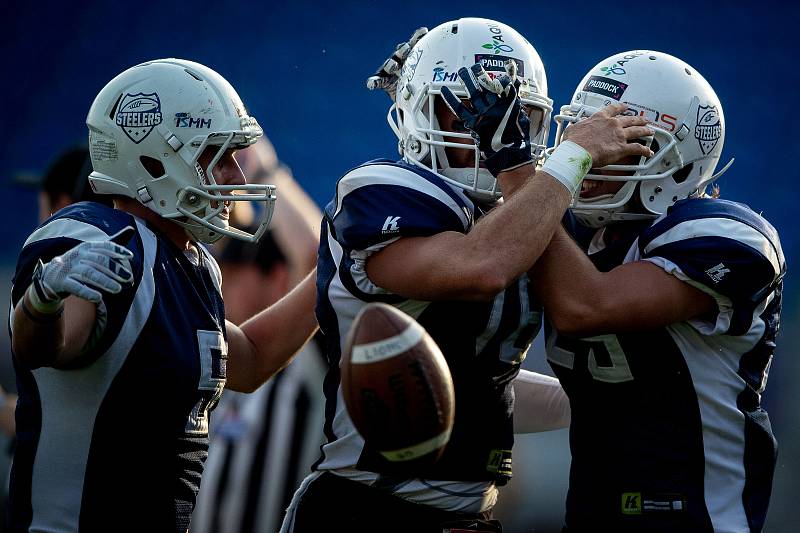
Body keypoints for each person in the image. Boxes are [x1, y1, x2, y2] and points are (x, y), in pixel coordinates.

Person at [281, 18, 653, 533]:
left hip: (469, 517)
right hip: (368, 510)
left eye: (512, 121)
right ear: (417, 112)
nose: (488, 139)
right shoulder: (383, 191)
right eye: (465, 116)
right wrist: (570, 159)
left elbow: (475, 381)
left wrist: (605, 400)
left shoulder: (528, 217)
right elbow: (482, 266)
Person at [8, 58, 317, 532]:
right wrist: (41, 301)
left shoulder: (191, 264)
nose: (235, 176)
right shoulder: (100, 238)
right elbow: (49, 345)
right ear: (154, 162)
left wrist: (338, 268)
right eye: (218, 156)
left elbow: (251, 361)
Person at [531, 50, 785, 532]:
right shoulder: (572, 232)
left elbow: (584, 307)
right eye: (583, 135)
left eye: (616, 140)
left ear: (679, 162)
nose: (592, 156)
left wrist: (526, 178)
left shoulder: (726, 236)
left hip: (698, 520)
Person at [191, 138, 326, 533]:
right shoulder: (215, 345)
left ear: (278, 277)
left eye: (233, 275)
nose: (220, 285)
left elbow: (314, 256)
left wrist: (266, 174)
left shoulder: (305, 349)